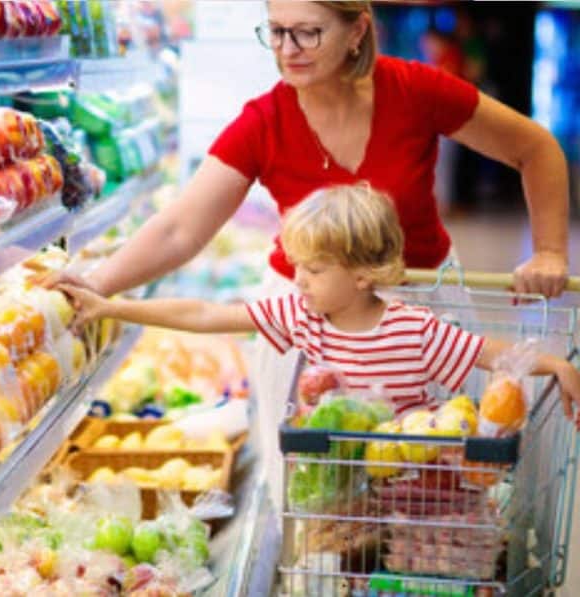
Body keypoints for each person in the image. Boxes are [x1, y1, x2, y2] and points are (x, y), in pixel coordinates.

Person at [37, 0, 571, 507]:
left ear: (357, 30)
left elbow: (534, 148)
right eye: (275, 32)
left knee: (437, 484)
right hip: (310, 321)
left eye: (307, 32)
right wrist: (97, 285)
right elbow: (181, 230)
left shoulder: (414, 89)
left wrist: (549, 251)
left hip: (423, 313)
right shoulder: (264, 120)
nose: (287, 48)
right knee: (318, 498)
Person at [57, 183, 580, 425]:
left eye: (313, 269)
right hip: (334, 497)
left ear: (362, 275)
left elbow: (489, 352)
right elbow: (204, 314)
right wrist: (111, 306)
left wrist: (556, 363)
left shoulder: (414, 329)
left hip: (411, 494)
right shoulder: (301, 316)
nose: (297, 279)